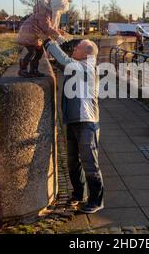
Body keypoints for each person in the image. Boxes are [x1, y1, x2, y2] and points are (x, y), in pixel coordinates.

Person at [42, 36, 104, 214]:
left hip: (87, 122)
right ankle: (79, 194)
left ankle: (96, 200)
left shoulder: (88, 67)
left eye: (78, 47)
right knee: (72, 162)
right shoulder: (77, 67)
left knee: (89, 163)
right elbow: (64, 61)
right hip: (73, 121)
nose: (74, 48)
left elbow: (64, 60)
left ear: (87, 53)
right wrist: (58, 38)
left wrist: (49, 42)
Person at [16, 0, 72, 77]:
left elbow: (50, 27)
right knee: (32, 52)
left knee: (39, 53)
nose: (59, 13)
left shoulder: (49, 12)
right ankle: (23, 69)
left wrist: (60, 33)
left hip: (35, 36)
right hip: (29, 34)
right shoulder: (44, 12)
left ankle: (34, 70)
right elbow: (46, 27)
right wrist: (57, 36)